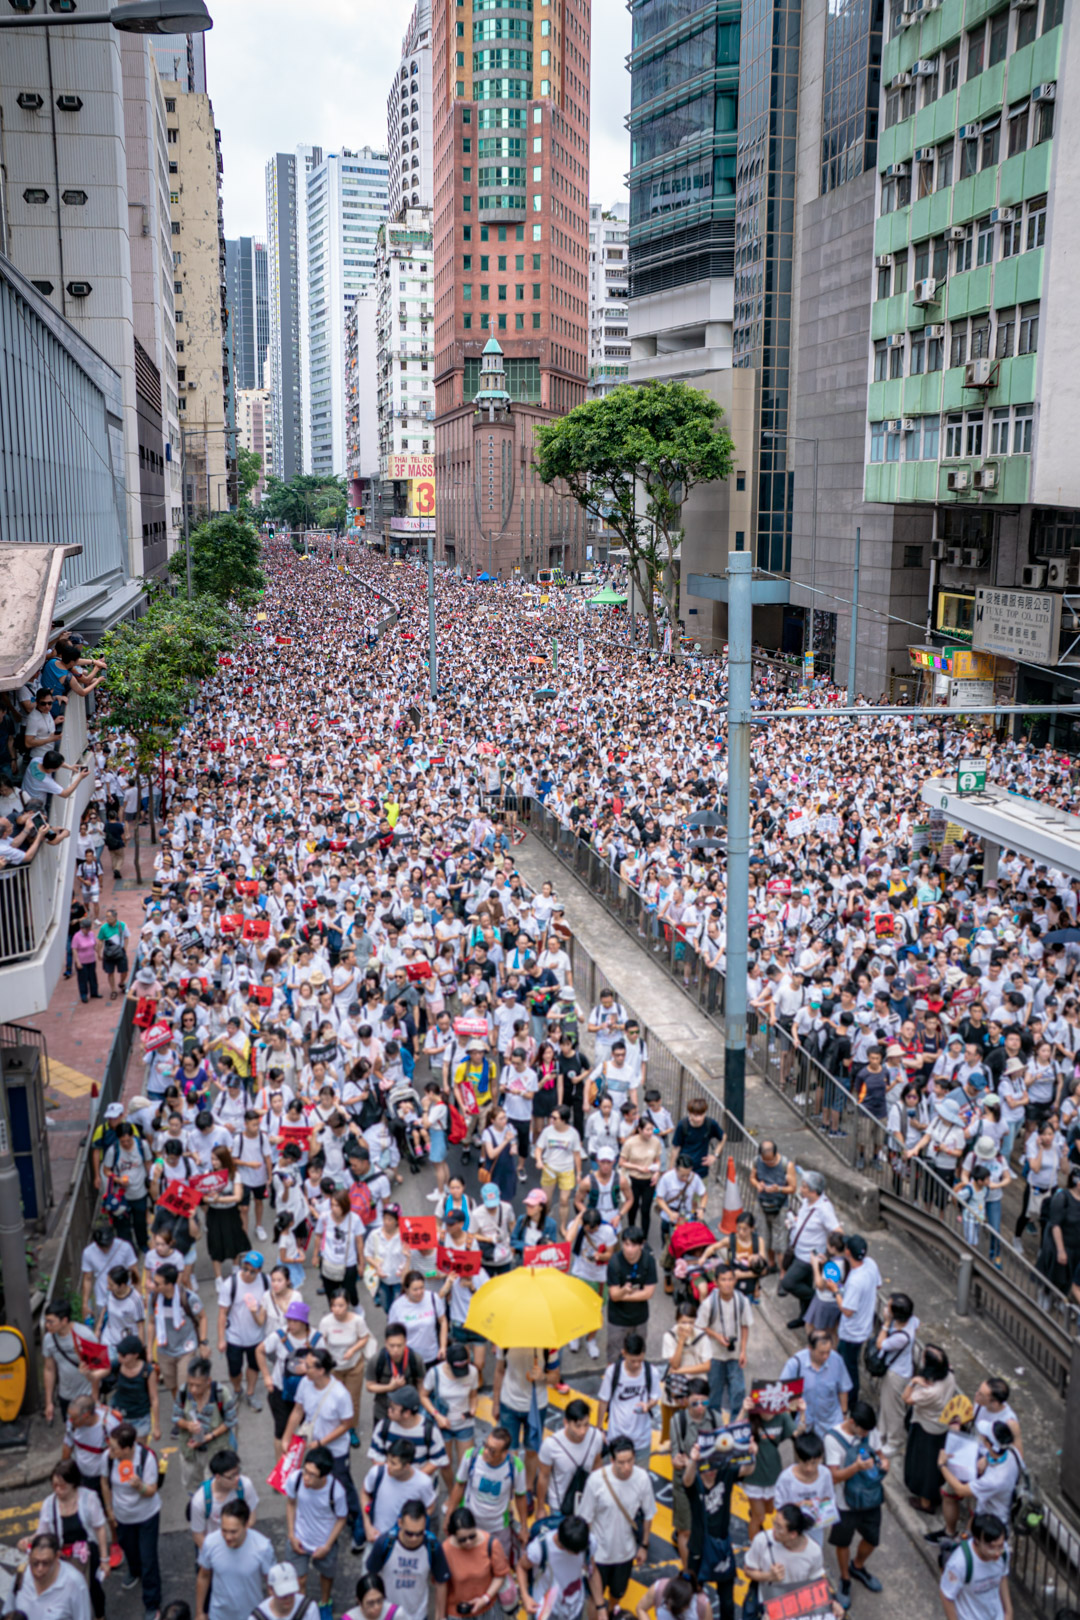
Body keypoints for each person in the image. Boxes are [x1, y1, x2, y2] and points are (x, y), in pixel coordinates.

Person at [284, 1345, 363, 1547]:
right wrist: (287, 1437)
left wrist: (322, 1442)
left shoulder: (339, 1394)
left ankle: (357, 1523)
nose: (303, 1368)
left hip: (334, 1450)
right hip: (312, 1446)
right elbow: (297, 1410)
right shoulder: (304, 1384)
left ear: (321, 1370)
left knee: (343, 1485)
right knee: (312, 1480)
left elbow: (347, 1424)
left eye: (308, 1365)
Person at [578, 1436, 656, 1619]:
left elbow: (649, 1513)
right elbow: (585, 1519)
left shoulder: (642, 1478)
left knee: (616, 1596)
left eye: (630, 1461)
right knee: (594, 1601)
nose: (626, 1467)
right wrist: (587, 1554)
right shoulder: (596, 1481)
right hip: (599, 1555)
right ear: (612, 1460)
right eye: (621, 1462)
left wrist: (644, 1546)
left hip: (626, 1554)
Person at [679, 1439, 757, 1620]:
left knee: (728, 1602)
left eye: (715, 1466)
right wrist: (693, 1461)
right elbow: (687, 1480)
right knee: (692, 1597)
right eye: (707, 1468)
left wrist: (752, 1455)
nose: (712, 1472)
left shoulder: (725, 1473)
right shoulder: (695, 1480)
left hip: (721, 1546)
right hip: (699, 1547)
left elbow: (747, 1470)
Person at [22, 1462, 109, 1619]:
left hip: (88, 1556)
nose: (57, 1490)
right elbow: (42, 1532)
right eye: (55, 1485)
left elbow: (100, 1528)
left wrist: (104, 1559)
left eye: (62, 1486)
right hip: (63, 1558)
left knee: (93, 1589)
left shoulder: (89, 1498)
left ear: (73, 1483)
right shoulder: (49, 1504)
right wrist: (28, 1540)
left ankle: (100, 1616)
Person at [824, 1398, 888, 1606]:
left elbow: (879, 1453)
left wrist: (883, 1461)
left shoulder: (869, 1430)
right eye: (863, 1432)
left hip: (870, 1497)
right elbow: (834, 1477)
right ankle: (845, 1578)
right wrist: (856, 1468)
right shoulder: (833, 1439)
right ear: (852, 1422)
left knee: (872, 1539)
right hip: (845, 1503)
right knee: (843, 1542)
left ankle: (858, 1566)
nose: (867, 1436)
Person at [101, 1421, 161, 1620]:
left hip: (146, 1516)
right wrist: (109, 1509)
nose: (110, 1451)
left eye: (114, 1448)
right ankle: (134, 1571)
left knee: (148, 1559)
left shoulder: (146, 1458)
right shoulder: (108, 1458)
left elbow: (152, 1490)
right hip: (123, 1516)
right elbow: (104, 1482)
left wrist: (140, 1487)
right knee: (129, 1547)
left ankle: (152, 1603)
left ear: (127, 1449)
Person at [285, 1446, 350, 1620]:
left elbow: (341, 1518)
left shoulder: (336, 1492)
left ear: (325, 1475)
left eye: (312, 1475)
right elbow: (291, 1503)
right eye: (305, 1471)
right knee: (299, 1581)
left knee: (327, 1576)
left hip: (323, 1542)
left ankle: (325, 1602)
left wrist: (328, 1545)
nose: (306, 1478)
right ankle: (303, 1610)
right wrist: (291, 1534)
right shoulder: (295, 1480)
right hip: (299, 1538)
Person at [445, 1426, 529, 1556]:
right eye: (486, 1446)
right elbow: (459, 1486)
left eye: (492, 1451)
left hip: (498, 1528)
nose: (486, 1452)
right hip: (469, 1525)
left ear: (504, 1453)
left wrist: (524, 1527)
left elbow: (520, 1496)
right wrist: (449, 1516)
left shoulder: (515, 1466)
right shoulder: (471, 1456)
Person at [365, 1498, 451, 1620]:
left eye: (419, 1533)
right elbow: (371, 1577)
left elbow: (441, 1582)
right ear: (400, 1523)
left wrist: (440, 1616)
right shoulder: (384, 1544)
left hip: (418, 1615)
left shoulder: (432, 1546)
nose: (414, 1539)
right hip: (388, 1614)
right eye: (409, 1533)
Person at [777, 1171, 842, 1331]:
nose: (801, 1188)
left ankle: (817, 1298)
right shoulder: (808, 1201)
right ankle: (804, 1316)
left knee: (789, 1282)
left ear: (813, 1191)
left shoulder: (824, 1209)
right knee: (803, 1284)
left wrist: (826, 1252)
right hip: (798, 1251)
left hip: (808, 1258)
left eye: (804, 1187)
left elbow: (838, 1232)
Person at [743, 1504, 837, 1612]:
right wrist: (769, 1576)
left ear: (793, 1534)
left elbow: (815, 1582)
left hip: (793, 1608)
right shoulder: (762, 1540)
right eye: (775, 1523)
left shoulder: (814, 1552)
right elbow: (748, 1571)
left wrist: (832, 1603)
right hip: (763, 1601)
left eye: (779, 1528)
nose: (773, 1530)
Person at [903, 1345, 960, 1514]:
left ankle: (925, 1501)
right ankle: (932, 1496)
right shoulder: (949, 1377)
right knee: (934, 1466)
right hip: (941, 1426)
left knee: (923, 1466)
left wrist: (913, 1382)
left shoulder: (930, 1391)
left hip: (925, 1427)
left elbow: (906, 1398)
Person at [195, 1502, 275, 1620]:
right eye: (224, 1530)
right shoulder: (211, 1543)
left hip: (252, 1616)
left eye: (233, 1532)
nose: (228, 1537)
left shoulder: (263, 1547)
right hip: (218, 1615)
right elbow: (204, 1576)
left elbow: (271, 1584)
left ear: (246, 1525)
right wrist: (200, 1612)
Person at [171, 1358, 238, 1495]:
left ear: (208, 1381)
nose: (193, 1390)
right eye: (191, 1384)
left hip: (215, 1451)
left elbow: (230, 1421)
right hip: (190, 1452)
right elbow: (176, 1417)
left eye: (198, 1385)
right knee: (192, 1486)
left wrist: (208, 1437)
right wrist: (187, 1425)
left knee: (215, 1487)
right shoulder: (183, 1392)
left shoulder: (221, 1393)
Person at [831, 1235, 883, 1405]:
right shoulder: (871, 1264)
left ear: (847, 1252)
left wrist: (836, 1290)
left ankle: (850, 1400)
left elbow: (847, 1311)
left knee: (850, 1368)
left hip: (852, 1332)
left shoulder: (855, 1281)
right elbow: (878, 1285)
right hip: (865, 1324)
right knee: (843, 1359)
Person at [694, 1265, 751, 1420]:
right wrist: (717, 1336)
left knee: (738, 1392)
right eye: (723, 1280)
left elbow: (745, 1326)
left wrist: (743, 1351)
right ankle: (715, 1426)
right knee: (714, 1394)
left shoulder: (742, 1301)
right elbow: (699, 1326)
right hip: (715, 1356)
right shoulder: (708, 1303)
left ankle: (735, 1426)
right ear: (716, 1282)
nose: (727, 1283)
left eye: (730, 1279)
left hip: (734, 1355)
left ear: (735, 1280)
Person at [535, 1396, 604, 1522]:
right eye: (578, 1426)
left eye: (586, 1425)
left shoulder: (596, 1437)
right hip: (559, 1507)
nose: (583, 1431)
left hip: (586, 1503)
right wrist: (540, 1508)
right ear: (566, 1422)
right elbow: (543, 1476)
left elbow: (597, 1465)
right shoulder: (551, 1445)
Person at [517, 1513, 595, 1620]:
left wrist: (600, 1605)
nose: (578, 1555)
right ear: (564, 1546)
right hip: (545, 1610)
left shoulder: (587, 1542)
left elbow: (592, 1569)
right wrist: (525, 1597)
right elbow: (521, 1567)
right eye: (575, 1552)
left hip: (575, 1608)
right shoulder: (538, 1549)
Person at [597, 1334, 659, 1469]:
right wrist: (599, 1428)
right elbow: (603, 1401)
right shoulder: (613, 1372)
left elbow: (655, 1396)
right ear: (623, 1353)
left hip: (642, 1440)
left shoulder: (651, 1372)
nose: (636, 1365)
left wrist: (648, 1405)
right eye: (632, 1361)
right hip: (617, 1438)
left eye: (640, 1360)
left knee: (639, 1482)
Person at [217, 1250, 269, 1411]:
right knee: (234, 1371)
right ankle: (238, 1390)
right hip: (234, 1337)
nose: (247, 1273)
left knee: (254, 1367)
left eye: (252, 1271)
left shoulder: (266, 1282)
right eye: (244, 1268)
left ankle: (251, 1393)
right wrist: (221, 1339)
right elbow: (222, 1313)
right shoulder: (230, 1284)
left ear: (259, 1270)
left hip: (256, 1336)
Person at [441, 1505, 511, 1620]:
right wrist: (441, 1614)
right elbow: (442, 1585)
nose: (468, 1542)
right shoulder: (446, 1550)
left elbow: (500, 1575)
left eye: (472, 1536)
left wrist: (485, 1599)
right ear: (453, 1536)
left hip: (488, 1610)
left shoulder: (491, 1544)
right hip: (457, 1612)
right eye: (462, 1540)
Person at [938, 1512, 1012, 1620]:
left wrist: (1008, 1612)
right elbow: (947, 1596)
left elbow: (1002, 1577)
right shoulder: (959, 1564)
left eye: (1000, 1546)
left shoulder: (1003, 1553)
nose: (997, 1553)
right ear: (976, 1541)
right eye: (991, 1547)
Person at [2, 1533, 93, 1620]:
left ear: (57, 1556)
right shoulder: (21, 1576)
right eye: (35, 1563)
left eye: (45, 1563)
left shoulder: (75, 1584)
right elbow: (8, 1612)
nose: (39, 1569)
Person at [319, 1289, 371, 1441]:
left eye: (341, 1305)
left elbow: (364, 1337)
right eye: (334, 1305)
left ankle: (351, 1428)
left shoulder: (357, 1321)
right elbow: (322, 1342)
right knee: (333, 1399)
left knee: (352, 1399)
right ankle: (336, 1427)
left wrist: (353, 1349)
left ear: (347, 1305)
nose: (337, 1309)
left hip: (354, 1366)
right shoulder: (326, 1322)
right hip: (334, 1368)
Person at [149, 1264, 208, 1398]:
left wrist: (203, 1342)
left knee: (185, 1386)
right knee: (172, 1386)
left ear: (170, 1285)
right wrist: (148, 1352)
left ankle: (189, 1412)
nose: (154, 1286)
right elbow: (152, 1323)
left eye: (157, 1284)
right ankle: (180, 1409)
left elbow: (203, 1317)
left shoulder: (189, 1298)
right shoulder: (154, 1298)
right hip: (164, 1350)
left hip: (186, 1349)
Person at [361, 1438, 438, 1539]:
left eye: (393, 1463)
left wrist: (413, 1528)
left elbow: (430, 1507)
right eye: (387, 1460)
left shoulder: (423, 1483)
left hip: (405, 1542)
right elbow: (365, 1493)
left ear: (406, 1466)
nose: (388, 1466)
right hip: (377, 1537)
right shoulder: (377, 1473)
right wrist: (368, 1526)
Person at [422, 1339, 481, 1472]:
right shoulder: (435, 1373)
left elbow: (473, 1395)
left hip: (464, 1423)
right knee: (445, 1464)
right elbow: (423, 1396)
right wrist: (437, 1416)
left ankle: (461, 1493)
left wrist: (472, 1408)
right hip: (443, 1424)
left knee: (466, 1465)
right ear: (447, 1363)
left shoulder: (472, 1372)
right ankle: (451, 1490)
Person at [873, 1293, 919, 1457]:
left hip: (897, 1374)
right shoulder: (912, 1321)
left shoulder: (901, 1337)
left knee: (894, 1409)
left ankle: (895, 1440)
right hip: (895, 1369)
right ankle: (882, 1432)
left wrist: (886, 1323)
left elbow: (880, 1344)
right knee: (886, 1403)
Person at [187, 1448, 259, 1549]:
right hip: (213, 1548)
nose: (237, 1478)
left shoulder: (245, 1485)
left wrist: (237, 1538)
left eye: (237, 1472)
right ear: (218, 1477)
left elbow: (251, 1517)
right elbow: (198, 1536)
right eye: (231, 1476)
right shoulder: (200, 1501)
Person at [605, 1225, 657, 1362]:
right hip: (618, 1319)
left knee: (638, 1355)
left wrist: (623, 1295)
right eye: (626, 1244)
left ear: (641, 1245)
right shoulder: (615, 1262)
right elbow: (614, 1296)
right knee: (614, 1357)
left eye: (634, 1245)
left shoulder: (648, 1261)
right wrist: (622, 1291)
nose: (629, 1249)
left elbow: (648, 1293)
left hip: (640, 1319)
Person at [43, 1301, 94, 1424]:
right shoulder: (48, 1339)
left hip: (87, 1396)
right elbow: (49, 1369)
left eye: (51, 1321)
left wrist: (96, 1398)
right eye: (46, 1321)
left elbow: (99, 1367)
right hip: (65, 1395)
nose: (47, 1325)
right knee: (71, 1430)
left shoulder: (85, 1336)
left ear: (64, 1320)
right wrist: (49, 1402)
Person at [748, 1141, 796, 1267]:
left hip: (780, 1206)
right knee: (764, 1237)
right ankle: (770, 1263)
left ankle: (782, 1271)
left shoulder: (787, 1165)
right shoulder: (757, 1161)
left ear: (776, 1154)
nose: (768, 1164)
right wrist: (758, 1184)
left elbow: (793, 1188)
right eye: (766, 1162)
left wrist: (779, 1189)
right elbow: (752, 1177)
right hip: (762, 1203)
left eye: (771, 1161)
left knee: (779, 1241)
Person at [388, 1271, 448, 1368]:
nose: (419, 1292)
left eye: (422, 1288)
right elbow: (392, 1333)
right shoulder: (397, 1306)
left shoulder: (432, 1298)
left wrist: (443, 1347)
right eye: (415, 1289)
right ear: (406, 1289)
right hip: (409, 1358)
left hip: (432, 1355)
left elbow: (443, 1321)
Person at [367, 1322, 425, 1423]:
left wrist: (418, 1406)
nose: (395, 1350)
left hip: (407, 1413)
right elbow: (369, 1386)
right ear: (385, 1343)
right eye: (391, 1346)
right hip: (383, 1411)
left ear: (405, 1342)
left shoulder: (415, 1359)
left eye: (399, 1345)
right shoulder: (376, 1360)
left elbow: (421, 1383)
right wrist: (390, 1387)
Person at [255, 1563, 322, 1620]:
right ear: (271, 1590)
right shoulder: (257, 1617)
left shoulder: (309, 1609)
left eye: (291, 1592)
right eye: (283, 1594)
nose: (288, 1598)